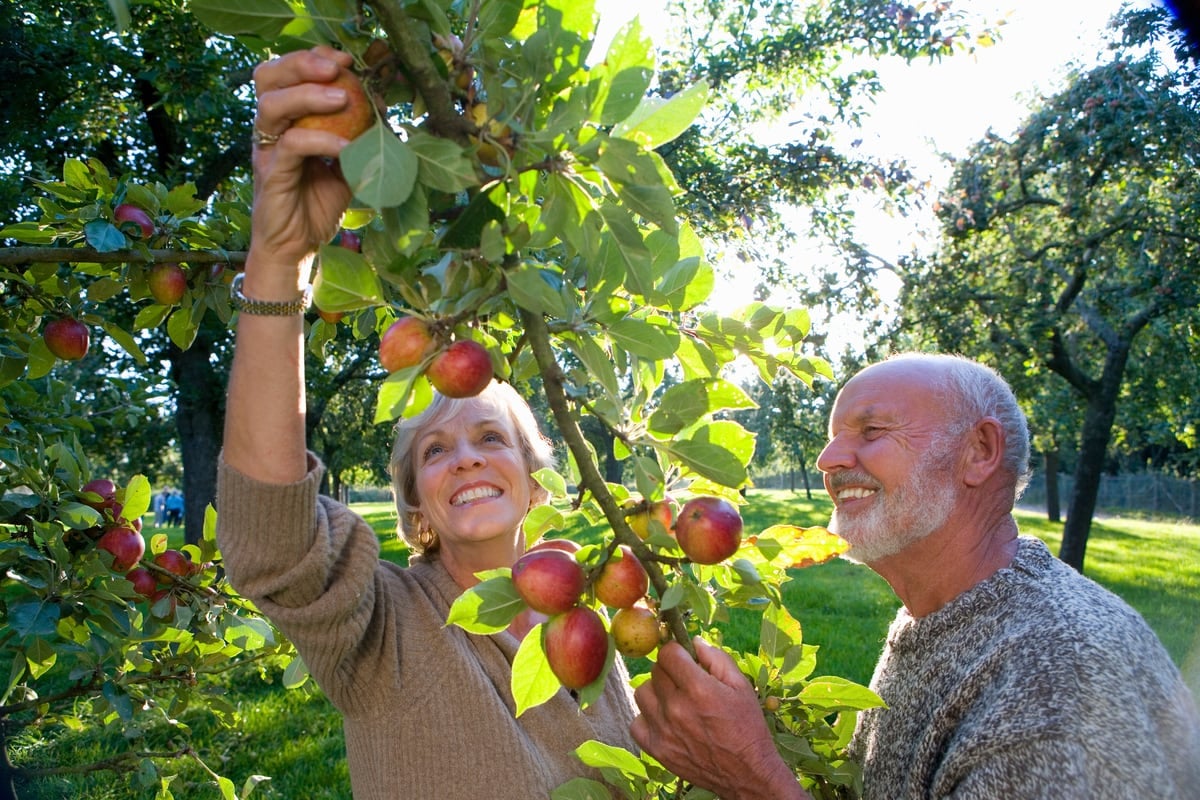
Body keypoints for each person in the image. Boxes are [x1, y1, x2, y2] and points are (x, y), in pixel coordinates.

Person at [215, 46, 637, 800]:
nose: (467, 459)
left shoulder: (589, 610)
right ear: (415, 506)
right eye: (435, 450)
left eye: (490, 437)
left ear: (536, 477)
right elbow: (273, 544)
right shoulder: (386, 633)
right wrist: (279, 261)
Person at [630, 353, 1200, 799]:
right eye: (833, 435)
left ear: (978, 452)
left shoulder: (1053, 683)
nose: (829, 458)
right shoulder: (952, 613)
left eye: (871, 430)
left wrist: (751, 778)